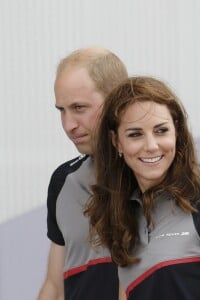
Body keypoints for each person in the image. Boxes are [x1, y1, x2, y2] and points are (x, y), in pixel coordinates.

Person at [86, 76, 200, 300]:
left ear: (177, 132)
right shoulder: (122, 218)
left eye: (161, 131)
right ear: (116, 142)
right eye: (135, 134)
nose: (151, 146)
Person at [37, 47, 128, 300]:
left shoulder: (162, 178)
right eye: (61, 110)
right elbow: (54, 288)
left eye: (79, 107)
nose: (68, 125)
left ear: (117, 100)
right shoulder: (63, 181)